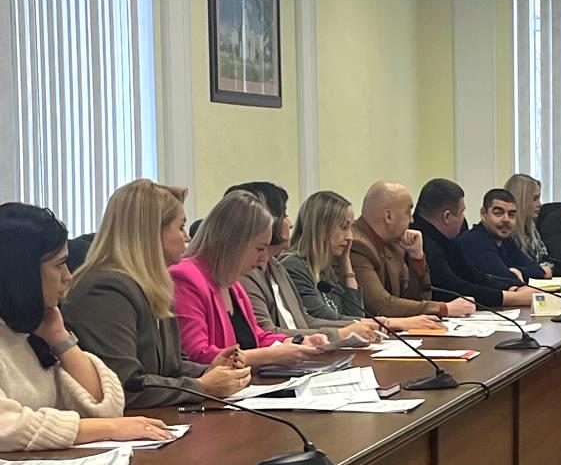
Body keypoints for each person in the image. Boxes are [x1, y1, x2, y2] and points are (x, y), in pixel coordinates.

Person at [64, 180, 251, 409]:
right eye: (181, 227)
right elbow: (126, 385)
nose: (187, 237)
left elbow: (173, 366)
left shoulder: (153, 284)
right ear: (151, 233)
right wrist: (202, 386)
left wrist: (210, 370)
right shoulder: (104, 291)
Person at [0, 201, 172, 450]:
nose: (68, 276)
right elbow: (6, 425)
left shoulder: (32, 330)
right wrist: (109, 429)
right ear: (21, 272)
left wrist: (60, 338)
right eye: (59, 264)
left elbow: (106, 408)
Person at [171, 191, 327, 366]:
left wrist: (298, 342)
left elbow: (257, 337)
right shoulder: (185, 277)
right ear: (234, 243)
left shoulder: (232, 283)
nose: (264, 258)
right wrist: (273, 355)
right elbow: (197, 356)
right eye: (259, 249)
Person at [226, 181, 380, 343]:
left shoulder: (276, 267)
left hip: (299, 351)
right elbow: (266, 333)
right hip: (286, 354)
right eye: (284, 215)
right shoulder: (255, 271)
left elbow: (304, 319)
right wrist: (343, 333)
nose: (290, 223)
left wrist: (362, 326)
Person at [282, 190, 441, 333]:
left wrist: (346, 266)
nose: (350, 236)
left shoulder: (327, 269)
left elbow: (355, 314)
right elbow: (325, 318)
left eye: (350, 228)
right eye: (344, 227)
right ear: (321, 228)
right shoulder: (294, 266)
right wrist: (394, 323)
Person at [350, 181, 471, 318]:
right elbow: (381, 306)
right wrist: (443, 308)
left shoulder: (395, 244)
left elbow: (415, 300)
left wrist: (417, 258)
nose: (412, 220)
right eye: (408, 212)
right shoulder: (357, 245)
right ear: (388, 216)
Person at [412, 178, 535, 307]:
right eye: (462, 212)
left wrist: (511, 288)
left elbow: (472, 275)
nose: (463, 220)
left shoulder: (449, 239)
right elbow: (451, 288)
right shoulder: (421, 242)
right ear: (447, 216)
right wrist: (513, 298)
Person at [458, 188, 552, 287]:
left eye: (511, 214)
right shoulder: (474, 240)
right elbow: (506, 279)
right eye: (498, 213)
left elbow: (537, 268)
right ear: (483, 214)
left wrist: (520, 271)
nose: (506, 219)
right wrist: (516, 274)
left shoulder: (506, 240)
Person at [506, 173, 549, 267]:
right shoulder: (506, 233)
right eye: (534, 199)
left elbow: (546, 259)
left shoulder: (531, 228)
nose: (540, 204)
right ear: (520, 200)